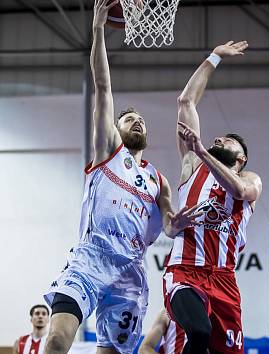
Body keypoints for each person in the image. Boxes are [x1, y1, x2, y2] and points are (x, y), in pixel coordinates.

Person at [43, 0, 200, 353]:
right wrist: (98, 30)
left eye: (141, 119)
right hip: (90, 257)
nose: (137, 120)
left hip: (130, 271)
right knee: (56, 339)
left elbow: (171, 225)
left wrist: (179, 225)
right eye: (128, 118)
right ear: (114, 128)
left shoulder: (158, 179)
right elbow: (102, 87)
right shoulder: (108, 152)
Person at [163, 40, 262, 354]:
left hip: (224, 278)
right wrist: (214, 57)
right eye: (217, 138)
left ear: (241, 158)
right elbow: (185, 102)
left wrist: (203, 149)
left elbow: (240, 192)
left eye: (228, 141)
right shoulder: (192, 163)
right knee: (199, 332)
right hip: (185, 271)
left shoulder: (250, 178)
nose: (219, 138)